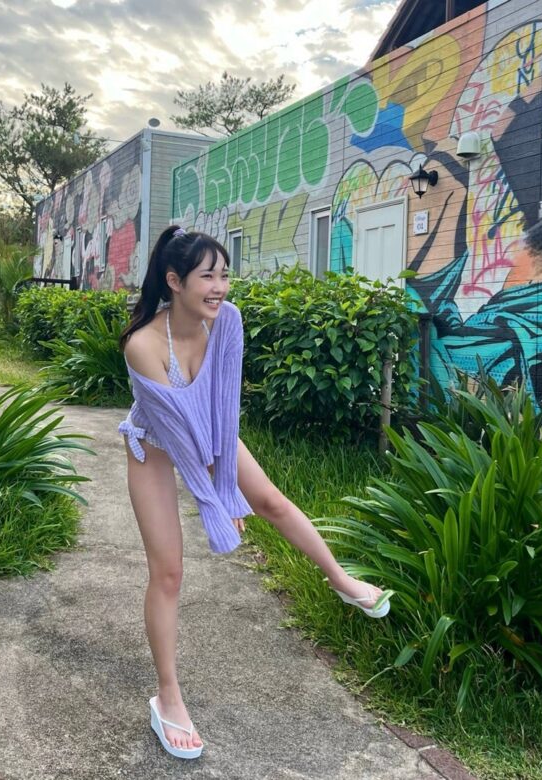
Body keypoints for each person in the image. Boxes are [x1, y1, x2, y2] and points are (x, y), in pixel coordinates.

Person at [118, 225, 390, 760]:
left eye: (224, 275)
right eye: (207, 277)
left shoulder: (227, 321)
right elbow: (180, 432)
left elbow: (223, 405)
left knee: (271, 501)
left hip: (212, 430)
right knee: (168, 571)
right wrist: (216, 499)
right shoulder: (143, 345)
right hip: (154, 444)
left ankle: (340, 579)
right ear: (174, 281)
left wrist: (229, 487)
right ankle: (168, 698)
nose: (219, 287)